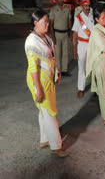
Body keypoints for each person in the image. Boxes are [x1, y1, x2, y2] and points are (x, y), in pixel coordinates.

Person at [25, 9, 68, 157]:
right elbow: (33, 68)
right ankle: (56, 146)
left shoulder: (46, 37)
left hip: (48, 79)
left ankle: (44, 139)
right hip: (39, 81)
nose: (48, 24)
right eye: (45, 22)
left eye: (48, 21)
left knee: (44, 111)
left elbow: (52, 58)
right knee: (49, 113)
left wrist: (57, 71)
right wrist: (38, 89)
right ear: (36, 23)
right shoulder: (31, 41)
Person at [72, 0, 94, 98]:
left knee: (94, 66)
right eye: (85, 6)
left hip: (92, 45)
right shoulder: (78, 18)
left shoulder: (92, 16)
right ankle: (81, 88)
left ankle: (95, 88)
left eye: (88, 6)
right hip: (82, 45)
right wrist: (74, 50)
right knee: (82, 67)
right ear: (81, 7)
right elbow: (75, 34)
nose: (87, 8)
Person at [49, 0, 72, 76]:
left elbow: (69, 21)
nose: (61, 0)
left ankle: (64, 70)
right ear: (56, 0)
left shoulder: (67, 9)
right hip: (57, 34)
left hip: (65, 33)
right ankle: (58, 71)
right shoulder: (53, 10)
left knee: (66, 52)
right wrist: (53, 36)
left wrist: (71, 32)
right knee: (57, 53)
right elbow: (51, 24)